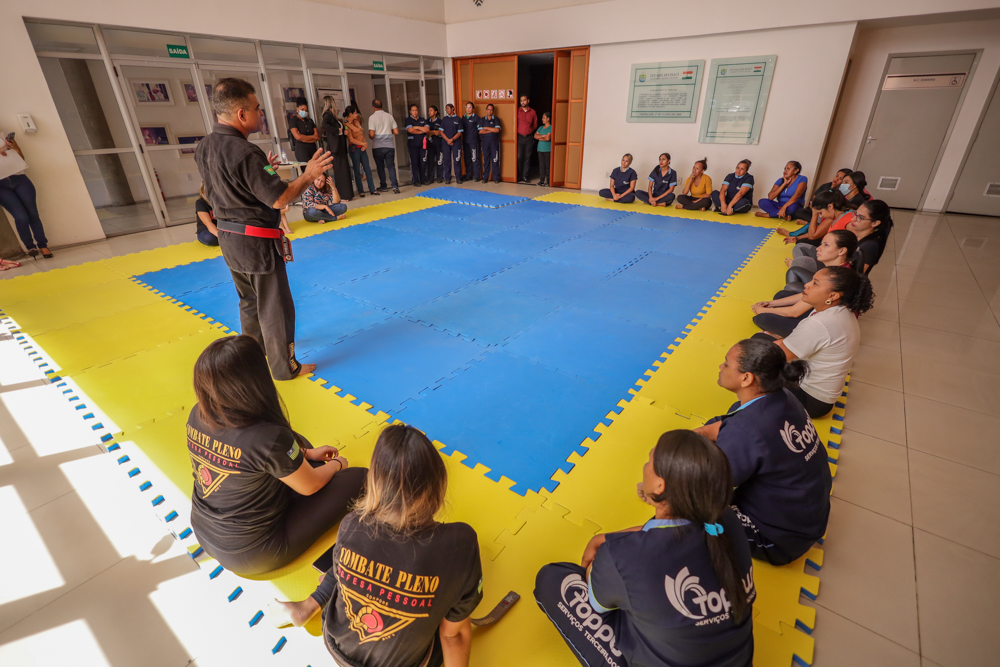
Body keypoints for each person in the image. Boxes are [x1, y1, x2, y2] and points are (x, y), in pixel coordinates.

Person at [535, 429, 755, 667]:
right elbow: (673, 531)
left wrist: (608, 551)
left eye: (650, 460)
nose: (646, 463)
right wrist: (606, 538)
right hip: (737, 660)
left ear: (660, 485)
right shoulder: (724, 520)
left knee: (554, 578)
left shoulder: (624, 557)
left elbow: (597, 605)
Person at [268, 424, 483, 667]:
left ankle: (310, 604)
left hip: (338, 650)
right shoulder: (459, 543)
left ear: (375, 483)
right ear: (438, 484)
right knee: (450, 597)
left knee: (348, 565)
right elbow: (453, 635)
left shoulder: (351, 523)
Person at [186, 335, 367, 576]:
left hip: (204, 530)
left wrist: (307, 453)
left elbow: (248, 457)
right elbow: (310, 486)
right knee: (360, 478)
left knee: (299, 444)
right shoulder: (267, 436)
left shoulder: (198, 413)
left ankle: (305, 457)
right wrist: (336, 464)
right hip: (255, 552)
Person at [195, 78, 331, 380]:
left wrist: (264, 170)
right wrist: (308, 175)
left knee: (249, 303)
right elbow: (280, 198)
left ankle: (251, 357)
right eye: (257, 108)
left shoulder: (204, 146)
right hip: (256, 244)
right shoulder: (245, 151)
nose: (261, 113)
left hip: (229, 239)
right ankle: (285, 368)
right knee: (275, 307)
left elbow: (222, 185)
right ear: (241, 114)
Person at [694, 339, 832, 566]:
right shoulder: (784, 396)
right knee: (727, 418)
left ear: (746, 378)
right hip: (807, 518)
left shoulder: (746, 431)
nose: (721, 367)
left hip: (776, 541)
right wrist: (702, 432)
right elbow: (732, 426)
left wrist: (658, 481)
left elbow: (706, 487)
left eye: (726, 364)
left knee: (687, 508)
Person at [760, 267, 874, 418]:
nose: (806, 285)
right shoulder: (839, 311)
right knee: (762, 342)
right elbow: (787, 342)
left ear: (832, 295)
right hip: (821, 397)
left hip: (809, 399)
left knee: (755, 357)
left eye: (815, 283)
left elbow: (778, 358)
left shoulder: (821, 323)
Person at [751, 231, 860, 337]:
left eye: (826, 245)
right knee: (781, 295)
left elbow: (795, 311)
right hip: (816, 312)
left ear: (841, 251)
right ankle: (778, 329)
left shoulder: (835, 277)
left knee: (762, 318)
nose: (818, 248)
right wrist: (770, 304)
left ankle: (780, 335)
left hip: (820, 329)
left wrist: (762, 310)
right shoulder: (834, 270)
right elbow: (805, 295)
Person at [0, 132, 51, 258]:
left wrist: (16, 148)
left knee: (33, 213)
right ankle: (30, 247)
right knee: (21, 217)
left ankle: (43, 245)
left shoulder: (3, 135)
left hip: (20, 178)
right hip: (1, 186)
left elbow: (21, 160)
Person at [782, 190, 851, 246]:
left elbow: (812, 236)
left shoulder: (846, 219)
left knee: (801, 245)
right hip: (828, 247)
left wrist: (814, 214)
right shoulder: (835, 216)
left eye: (820, 213)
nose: (820, 216)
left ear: (830, 207)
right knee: (801, 239)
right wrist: (797, 238)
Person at [847, 199, 893, 274]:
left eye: (860, 218)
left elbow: (855, 276)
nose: (853, 219)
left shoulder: (869, 246)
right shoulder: (858, 237)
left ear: (875, 223)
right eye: (855, 214)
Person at [320, 95, 353, 201]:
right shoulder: (327, 114)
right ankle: (342, 195)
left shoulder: (334, 116)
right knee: (340, 172)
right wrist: (337, 131)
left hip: (340, 147)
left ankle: (347, 194)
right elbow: (324, 125)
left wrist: (343, 132)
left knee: (344, 170)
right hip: (335, 147)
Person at [344, 106, 377, 198]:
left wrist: (364, 144)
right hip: (354, 148)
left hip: (362, 147)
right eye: (355, 113)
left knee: (367, 169)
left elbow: (361, 133)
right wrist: (362, 143)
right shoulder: (346, 123)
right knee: (357, 170)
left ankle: (372, 189)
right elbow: (351, 139)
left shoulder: (356, 121)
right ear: (350, 114)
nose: (357, 114)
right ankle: (361, 191)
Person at [368, 99, 400, 194]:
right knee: (391, 166)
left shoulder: (372, 118)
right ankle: (395, 186)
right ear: (381, 106)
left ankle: (384, 186)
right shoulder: (389, 116)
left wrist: (371, 136)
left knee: (380, 167)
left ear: (373, 107)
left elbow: (372, 134)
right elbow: (396, 131)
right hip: (389, 146)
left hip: (377, 147)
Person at [289, 97, 321, 164]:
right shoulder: (293, 121)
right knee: (306, 170)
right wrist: (312, 137)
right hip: (302, 151)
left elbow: (317, 136)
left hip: (313, 149)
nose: (304, 112)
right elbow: (298, 137)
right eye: (302, 109)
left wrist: (304, 138)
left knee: (316, 170)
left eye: (306, 110)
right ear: (297, 109)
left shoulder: (310, 121)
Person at [405, 104, 431, 187]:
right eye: (413, 110)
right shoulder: (408, 120)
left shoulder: (423, 120)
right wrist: (420, 129)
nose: (415, 112)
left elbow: (427, 129)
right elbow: (410, 130)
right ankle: (416, 180)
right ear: (410, 111)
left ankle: (423, 179)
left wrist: (415, 127)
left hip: (422, 145)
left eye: (416, 110)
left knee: (423, 162)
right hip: (413, 145)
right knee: (414, 163)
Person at [439, 103, 464, 184]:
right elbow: (441, 132)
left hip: (456, 142)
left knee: (457, 160)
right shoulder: (444, 119)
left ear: (453, 108)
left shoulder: (458, 119)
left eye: (449, 108)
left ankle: (458, 178)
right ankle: (447, 178)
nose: (447, 110)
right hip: (446, 142)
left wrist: (452, 139)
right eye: (446, 109)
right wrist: (448, 140)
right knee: (446, 160)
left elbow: (459, 132)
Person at [516, 95, 538, 184]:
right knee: (519, 157)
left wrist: (529, 130)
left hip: (529, 137)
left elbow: (535, 125)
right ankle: (518, 176)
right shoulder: (517, 111)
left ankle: (525, 176)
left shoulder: (532, 112)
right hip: (519, 137)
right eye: (521, 101)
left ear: (528, 101)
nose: (522, 102)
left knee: (527, 158)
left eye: (524, 100)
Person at [479, 104, 502, 183]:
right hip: (485, 143)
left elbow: (497, 130)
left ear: (493, 111)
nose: (490, 111)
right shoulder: (482, 120)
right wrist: (492, 129)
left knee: (495, 160)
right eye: (488, 109)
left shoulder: (496, 119)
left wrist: (486, 128)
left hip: (494, 143)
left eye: (491, 110)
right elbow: (480, 131)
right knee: (486, 160)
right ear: (486, 110)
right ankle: (485, 177)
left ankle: (496, 178)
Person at [461, 102, 481, 183]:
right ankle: (469, 175)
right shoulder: (463, 118)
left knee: (474, 158)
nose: (468, 109)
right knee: (467, 159)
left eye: (470, 107)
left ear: (473, 109)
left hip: (473, 141)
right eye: (467, 107)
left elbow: (480, 130)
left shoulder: (476, 118)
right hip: (465, 141)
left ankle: (477, 176)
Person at [534, 112, 552, 187]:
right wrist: (543, 136)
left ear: (548, 119)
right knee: (541, 166)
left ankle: (548, 181)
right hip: (540, 149)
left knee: (547, 166)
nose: (542, 119)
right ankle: (541, 181)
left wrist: (540, 137)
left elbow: (548, 138)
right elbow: (535, 136)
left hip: (547, 150)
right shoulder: (541, 127)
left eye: (544, 118)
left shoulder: (551, 127)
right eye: (542, 118)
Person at [426, 105, 443, 185]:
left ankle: (440, 177)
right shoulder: (427, 122)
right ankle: (430, 177)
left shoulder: (440, 121)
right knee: (430, 162)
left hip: (439, 144)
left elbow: (439, 132)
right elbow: (426, 132)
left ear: (435, 112)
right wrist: (433, 132)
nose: (429, 112)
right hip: (430, 144)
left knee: (440, 161)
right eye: (429, 110)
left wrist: (431, 132)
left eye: (431, 110)